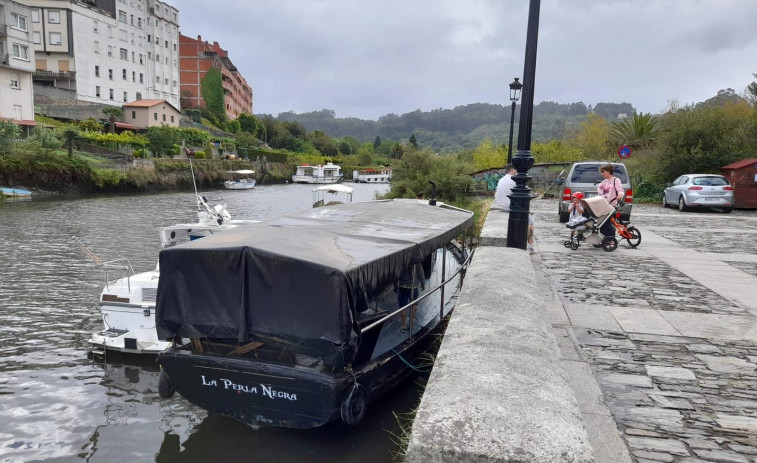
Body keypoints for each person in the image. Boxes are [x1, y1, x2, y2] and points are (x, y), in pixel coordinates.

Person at [396, 263, 425, 333]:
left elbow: (396, 275)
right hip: (413, 287)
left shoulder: (401, 261)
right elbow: (421, 274)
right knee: (414, 304)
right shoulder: (417, 263)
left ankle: (403, 325)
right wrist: (423, 284)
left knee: (402, 306)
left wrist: (395, 285)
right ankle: (411, 323)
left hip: (402, 287)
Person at [597, 164, 624, 237]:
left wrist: (620, 195)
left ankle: (611, 238)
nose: (602, 174)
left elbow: (620, 190)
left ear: (609, 171)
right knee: (602, 223)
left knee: (606, 223)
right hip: (604, 205)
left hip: (612, 205)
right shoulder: (604, 181)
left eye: (603, 172)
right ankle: (608, 237)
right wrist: (601, 195)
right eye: (601, 172)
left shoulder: (616, 180)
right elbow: (599, 188)